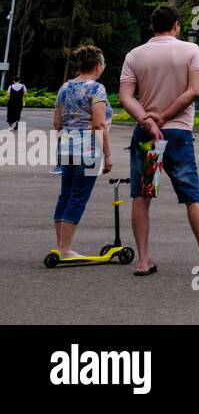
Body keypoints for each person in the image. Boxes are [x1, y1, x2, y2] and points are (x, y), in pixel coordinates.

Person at [118, 5, 199, 277]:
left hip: (148, 136)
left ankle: (143, 260)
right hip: (177, 133)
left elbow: (126, 97)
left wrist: (148, 121)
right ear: (176, 26)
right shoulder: (190, 50)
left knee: (143, 195)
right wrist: (162, 117)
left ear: (153, 26)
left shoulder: (135, 55)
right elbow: (194, 91)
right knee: (191, 195)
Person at [52, 47, 113, 258]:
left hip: (66, 148)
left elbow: (57, 123)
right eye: (103, 64)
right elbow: (99, 124)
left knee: (65, 194)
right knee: (78, 197)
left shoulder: (64, 88)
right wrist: (107, 154)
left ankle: (61, 245)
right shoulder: (96, 89)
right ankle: (65, 249)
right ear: (98, 66)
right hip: (88, 150)